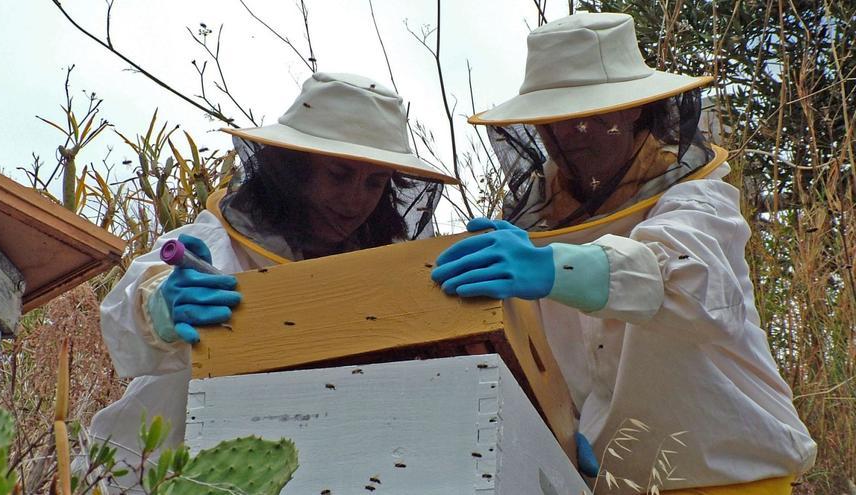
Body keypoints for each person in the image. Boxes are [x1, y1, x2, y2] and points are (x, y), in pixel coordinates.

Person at [431, 13, 816, 494]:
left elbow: (691, 283)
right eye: (558, 117)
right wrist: (562, 431)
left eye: (594, 113)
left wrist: (553, 267)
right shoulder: (539, 231)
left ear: (635, 110)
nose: (575, 131)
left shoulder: (698, 202)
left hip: (735, 481)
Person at [89, 72, 456, 487]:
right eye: (338, 174)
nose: (356, 200)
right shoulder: (217, 243)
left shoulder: (377, 279)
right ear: (294, 170)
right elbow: (129, 307)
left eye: (374, 182)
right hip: (145, 476)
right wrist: (159, 306)